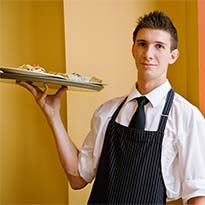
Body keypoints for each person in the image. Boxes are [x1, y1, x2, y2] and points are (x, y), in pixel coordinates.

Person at [17, 11, 205, 205]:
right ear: (133, 49)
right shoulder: (107, 112)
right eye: (142, 44)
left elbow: (198, 195)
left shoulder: (187, 117)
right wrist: (53, 115)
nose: (148, 54)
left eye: (159, 46)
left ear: (173, 56)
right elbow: (77, 178)